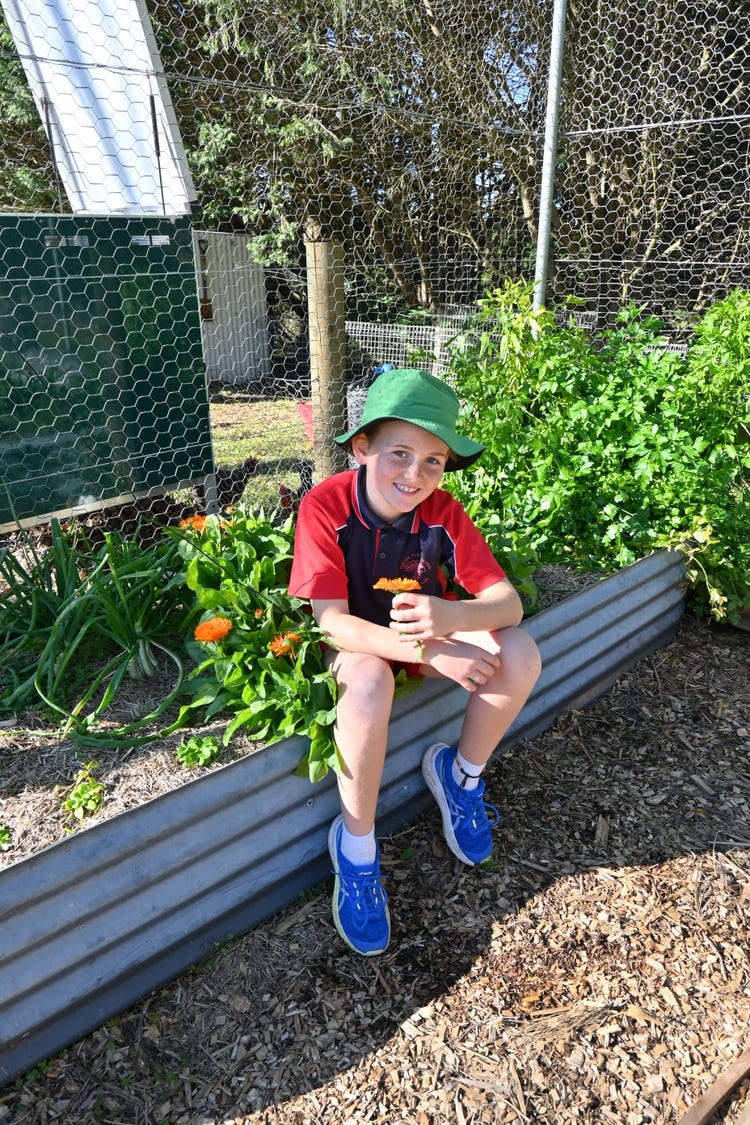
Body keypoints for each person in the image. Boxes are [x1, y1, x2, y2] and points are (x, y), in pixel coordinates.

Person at [288, 367, 542, 956]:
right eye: (399, 453)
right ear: (361, 447)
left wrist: (450, 621)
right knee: (371, 681)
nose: (415, 474)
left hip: (427, 633)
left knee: (520, 654)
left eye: (434, 460)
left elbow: (508, 604)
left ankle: (462, 776)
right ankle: (356, 848)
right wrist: (431, 650)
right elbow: (331, 622)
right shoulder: (325, 507)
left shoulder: (444, 515)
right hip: (359, 648)